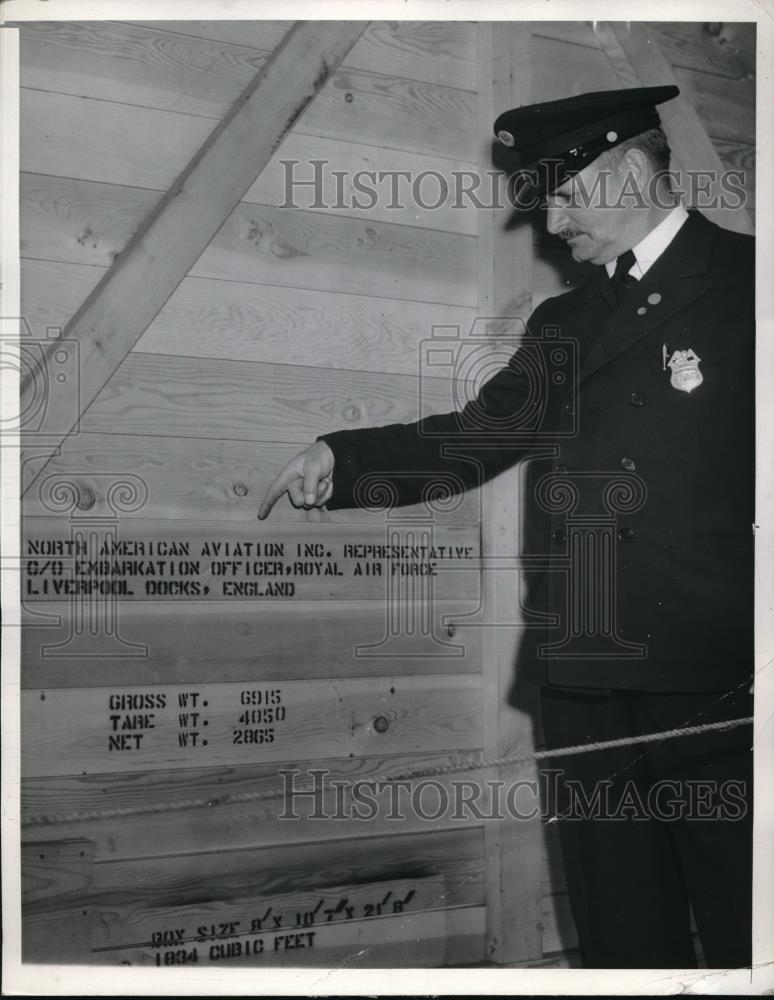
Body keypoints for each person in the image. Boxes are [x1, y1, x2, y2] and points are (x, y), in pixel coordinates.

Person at [258, 87, 754, 969]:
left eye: (565, 194)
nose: (553, 219)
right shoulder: (565, 321)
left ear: (632, 172)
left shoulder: (750, 286)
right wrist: (348, 460)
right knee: (622, 937)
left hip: (722, 687)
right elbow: (478, 437)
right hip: (588, 680)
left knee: (748, 923)